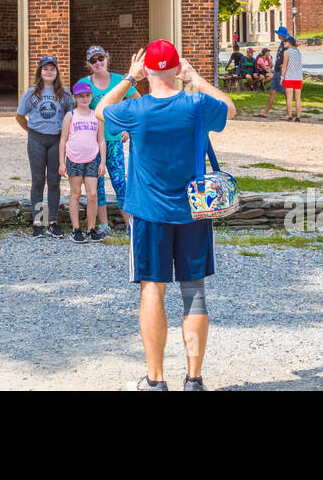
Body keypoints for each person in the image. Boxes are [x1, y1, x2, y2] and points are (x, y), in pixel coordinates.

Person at [97, 40, 235, 392]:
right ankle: (194, 379)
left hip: (148, 213)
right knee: (194, 293)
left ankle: (156, 380)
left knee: (152, 292)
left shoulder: (136, 109)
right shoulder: (195, 104)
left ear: (147, 71)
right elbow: (230, 109)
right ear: (176, 68)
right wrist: (195, 78)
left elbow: (100, 110)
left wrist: (128, 78)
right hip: (193, 210)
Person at [80, 44, 138, 236]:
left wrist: (129, 128)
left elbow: (138, 103)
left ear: (107, 58)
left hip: (113, 141)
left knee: (120, 182)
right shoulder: (85, 83)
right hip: (92, 143)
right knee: (98, 184)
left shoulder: (120, 81)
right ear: (89, 64)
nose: (98, 63)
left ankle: (130, 224)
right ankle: (104, 224)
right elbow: (76, 112)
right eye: (93, 60)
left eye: (101, 58)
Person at [15, 56, 73, 239]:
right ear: (40, 72)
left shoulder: (64, 94)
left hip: (56, 140)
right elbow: (20, 116)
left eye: (52, 68)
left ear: (57, 72)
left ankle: (53, 223)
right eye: (45, 68)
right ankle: (38, 222)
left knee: (54, 181)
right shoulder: (31, 93)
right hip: (36, 139)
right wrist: (32, 131)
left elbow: (69, 117)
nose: (49, 71)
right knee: (38, 181)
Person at [59, 80, 105, 243]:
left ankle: (91, 229)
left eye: (87, 95)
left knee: (92, 194)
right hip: (74, 158)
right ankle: (76, 229)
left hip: (92, 158)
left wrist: (102, 162)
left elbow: (101, 140)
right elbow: (63, 139)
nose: (84, 99)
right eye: (81, 96)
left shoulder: (97, 116)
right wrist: (62, 162)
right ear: (75, 98)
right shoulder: (70, 116)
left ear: (91, 96)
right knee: (76, 193)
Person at [261, 26, 293, 117]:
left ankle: (288, 113)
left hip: (282, 71)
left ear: (281, 35)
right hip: (276, 71)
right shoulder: (281, 43)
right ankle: (265, 112)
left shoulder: (287, 44)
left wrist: (285, 66)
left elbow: (290, 55)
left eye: (278, 33)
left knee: (286, 93)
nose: (277, 35)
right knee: (272, 91)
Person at [282, 35, 304, 121]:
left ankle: (290, 116)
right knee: (298, 98)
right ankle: (298, 117)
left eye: (286, 41)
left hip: (289, 76)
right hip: (298, 77)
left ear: (290, 43)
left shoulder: (286, 52)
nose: (284, 42)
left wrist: (281, 77)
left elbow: (284, 65)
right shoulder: (298, 52)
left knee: (289, 97)